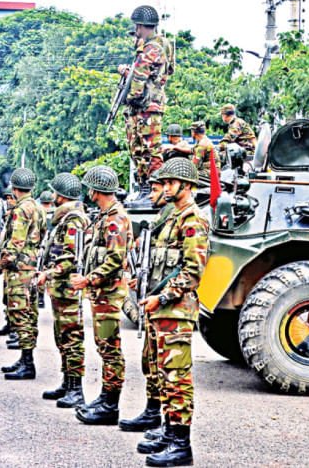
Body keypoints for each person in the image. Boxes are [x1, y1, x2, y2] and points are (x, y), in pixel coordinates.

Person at [135, 158, 209, 467]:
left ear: (186, 186)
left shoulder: (193, 220)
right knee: (164, 376)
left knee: (177, 377)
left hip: (175, 310)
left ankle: (181, 444)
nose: (164, 188)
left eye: (169, 183)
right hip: (162, 309)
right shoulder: (172, 218)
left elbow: (193, 271)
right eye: (163, 183)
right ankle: (169, 432)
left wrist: (162, 296)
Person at [70, 165, 131, 425]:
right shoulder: (104, 217)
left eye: (91, 189)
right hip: (101, 293)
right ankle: (106, 397)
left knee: (110, 348)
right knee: (104, 346)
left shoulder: (115, 219)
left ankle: (110, 405)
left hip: (108, 293)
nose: (89, 194)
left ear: (97, 190)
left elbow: (115, 260)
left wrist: (88, 280)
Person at [119, 169, 171, 434]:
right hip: (154, 301)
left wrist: (162, 295)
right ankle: (153, 413)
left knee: (170, 369)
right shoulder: (164, 219)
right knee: (150, 361)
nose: (151, 195)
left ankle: (173, 431)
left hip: (169, 306)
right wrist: (139, 281)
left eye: (155, 189)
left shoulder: (184, 219)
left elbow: (191, 269)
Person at [0, 168, 46, 380]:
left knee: (20, 315)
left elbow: (14, 245)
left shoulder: (21, 210)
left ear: (14, 187)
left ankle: (27, 363)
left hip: (19, 271)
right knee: (29, 314)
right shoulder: (37, 208)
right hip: (31, 267)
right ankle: (24, 359)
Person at [35, 172, 90, 408]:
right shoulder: (64, 218)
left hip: (68, 289)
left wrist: (49, 273)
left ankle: (76, 389)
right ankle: (68, 383)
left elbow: (71, 257)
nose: (53, 196)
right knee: (62, 337)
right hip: (60, 289)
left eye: (56, 193)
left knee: (72, 338)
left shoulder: (73, 220)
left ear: (62, 196)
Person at [120, 5, 175, 189]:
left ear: (142, 26)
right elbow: (168, 71)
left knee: (148, 150)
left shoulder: (150, 48)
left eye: (137, 27)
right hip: (152, 103)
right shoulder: (165, 45)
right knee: (141, 149)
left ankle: (154, 188)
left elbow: (139, 79)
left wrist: (129, 98)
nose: (136, 31)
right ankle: (147, 187)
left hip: (145, 106)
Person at [0, 186, 17, 340]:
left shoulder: (20, 215)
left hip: (17, 263)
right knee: (7, 297)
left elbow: (16, 243)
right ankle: (9, 324)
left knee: (18, 301)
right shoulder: (8, 216)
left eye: (11, 198)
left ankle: (16, 331)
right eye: (7, 198)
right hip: (9, 262)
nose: (9, 201)